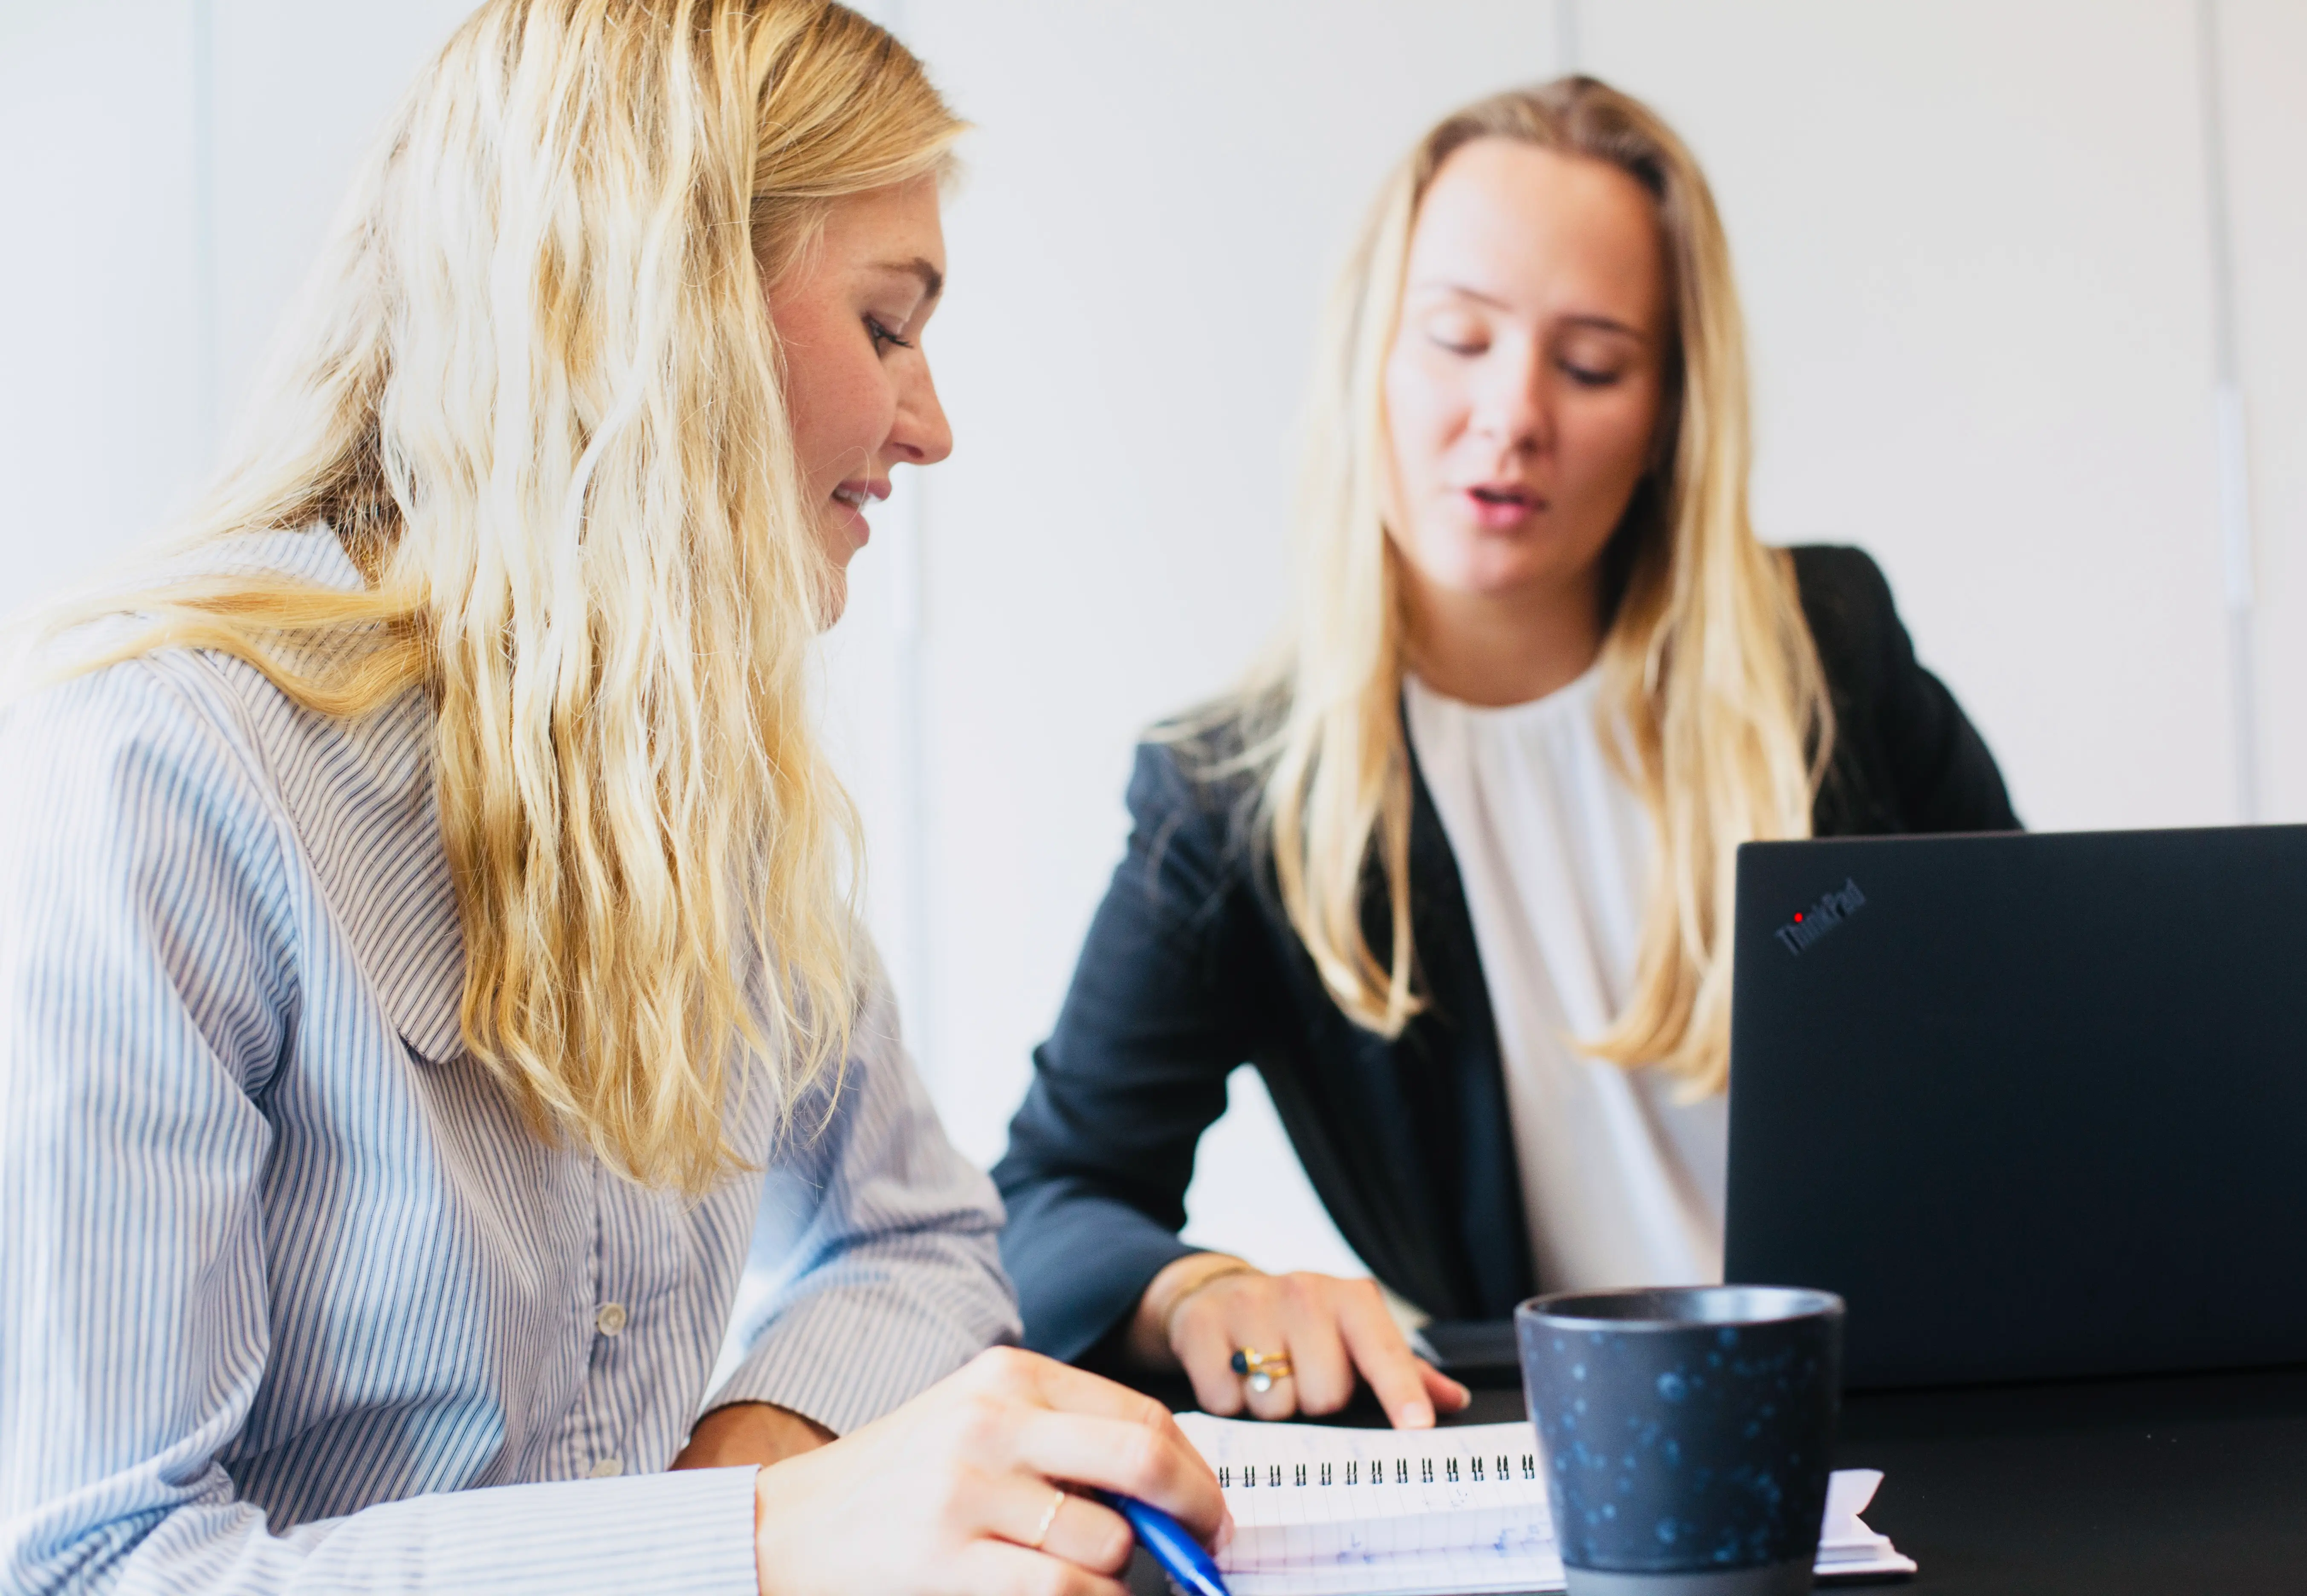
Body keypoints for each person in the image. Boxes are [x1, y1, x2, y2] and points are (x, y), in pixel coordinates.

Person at [0, 5, 1224, 1595]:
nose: (930, 423)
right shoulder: (158, 779)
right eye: (887, 324)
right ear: (675, 316)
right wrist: (757, 1546)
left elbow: (917, 1240)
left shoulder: (697, 768)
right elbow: (101, 1567)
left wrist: (759, 1464)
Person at [994, 76, 2018, 1431]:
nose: (1513, 416)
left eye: (1591, 365)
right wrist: (1193, 1294)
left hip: (1918, 1417)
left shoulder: (1826, 655)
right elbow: (1049, 1201)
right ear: (1372, 357)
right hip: (1564, 1466)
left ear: (1666, 416)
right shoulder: (1237, 799)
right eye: (1457, 339)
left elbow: (2037, 1031)